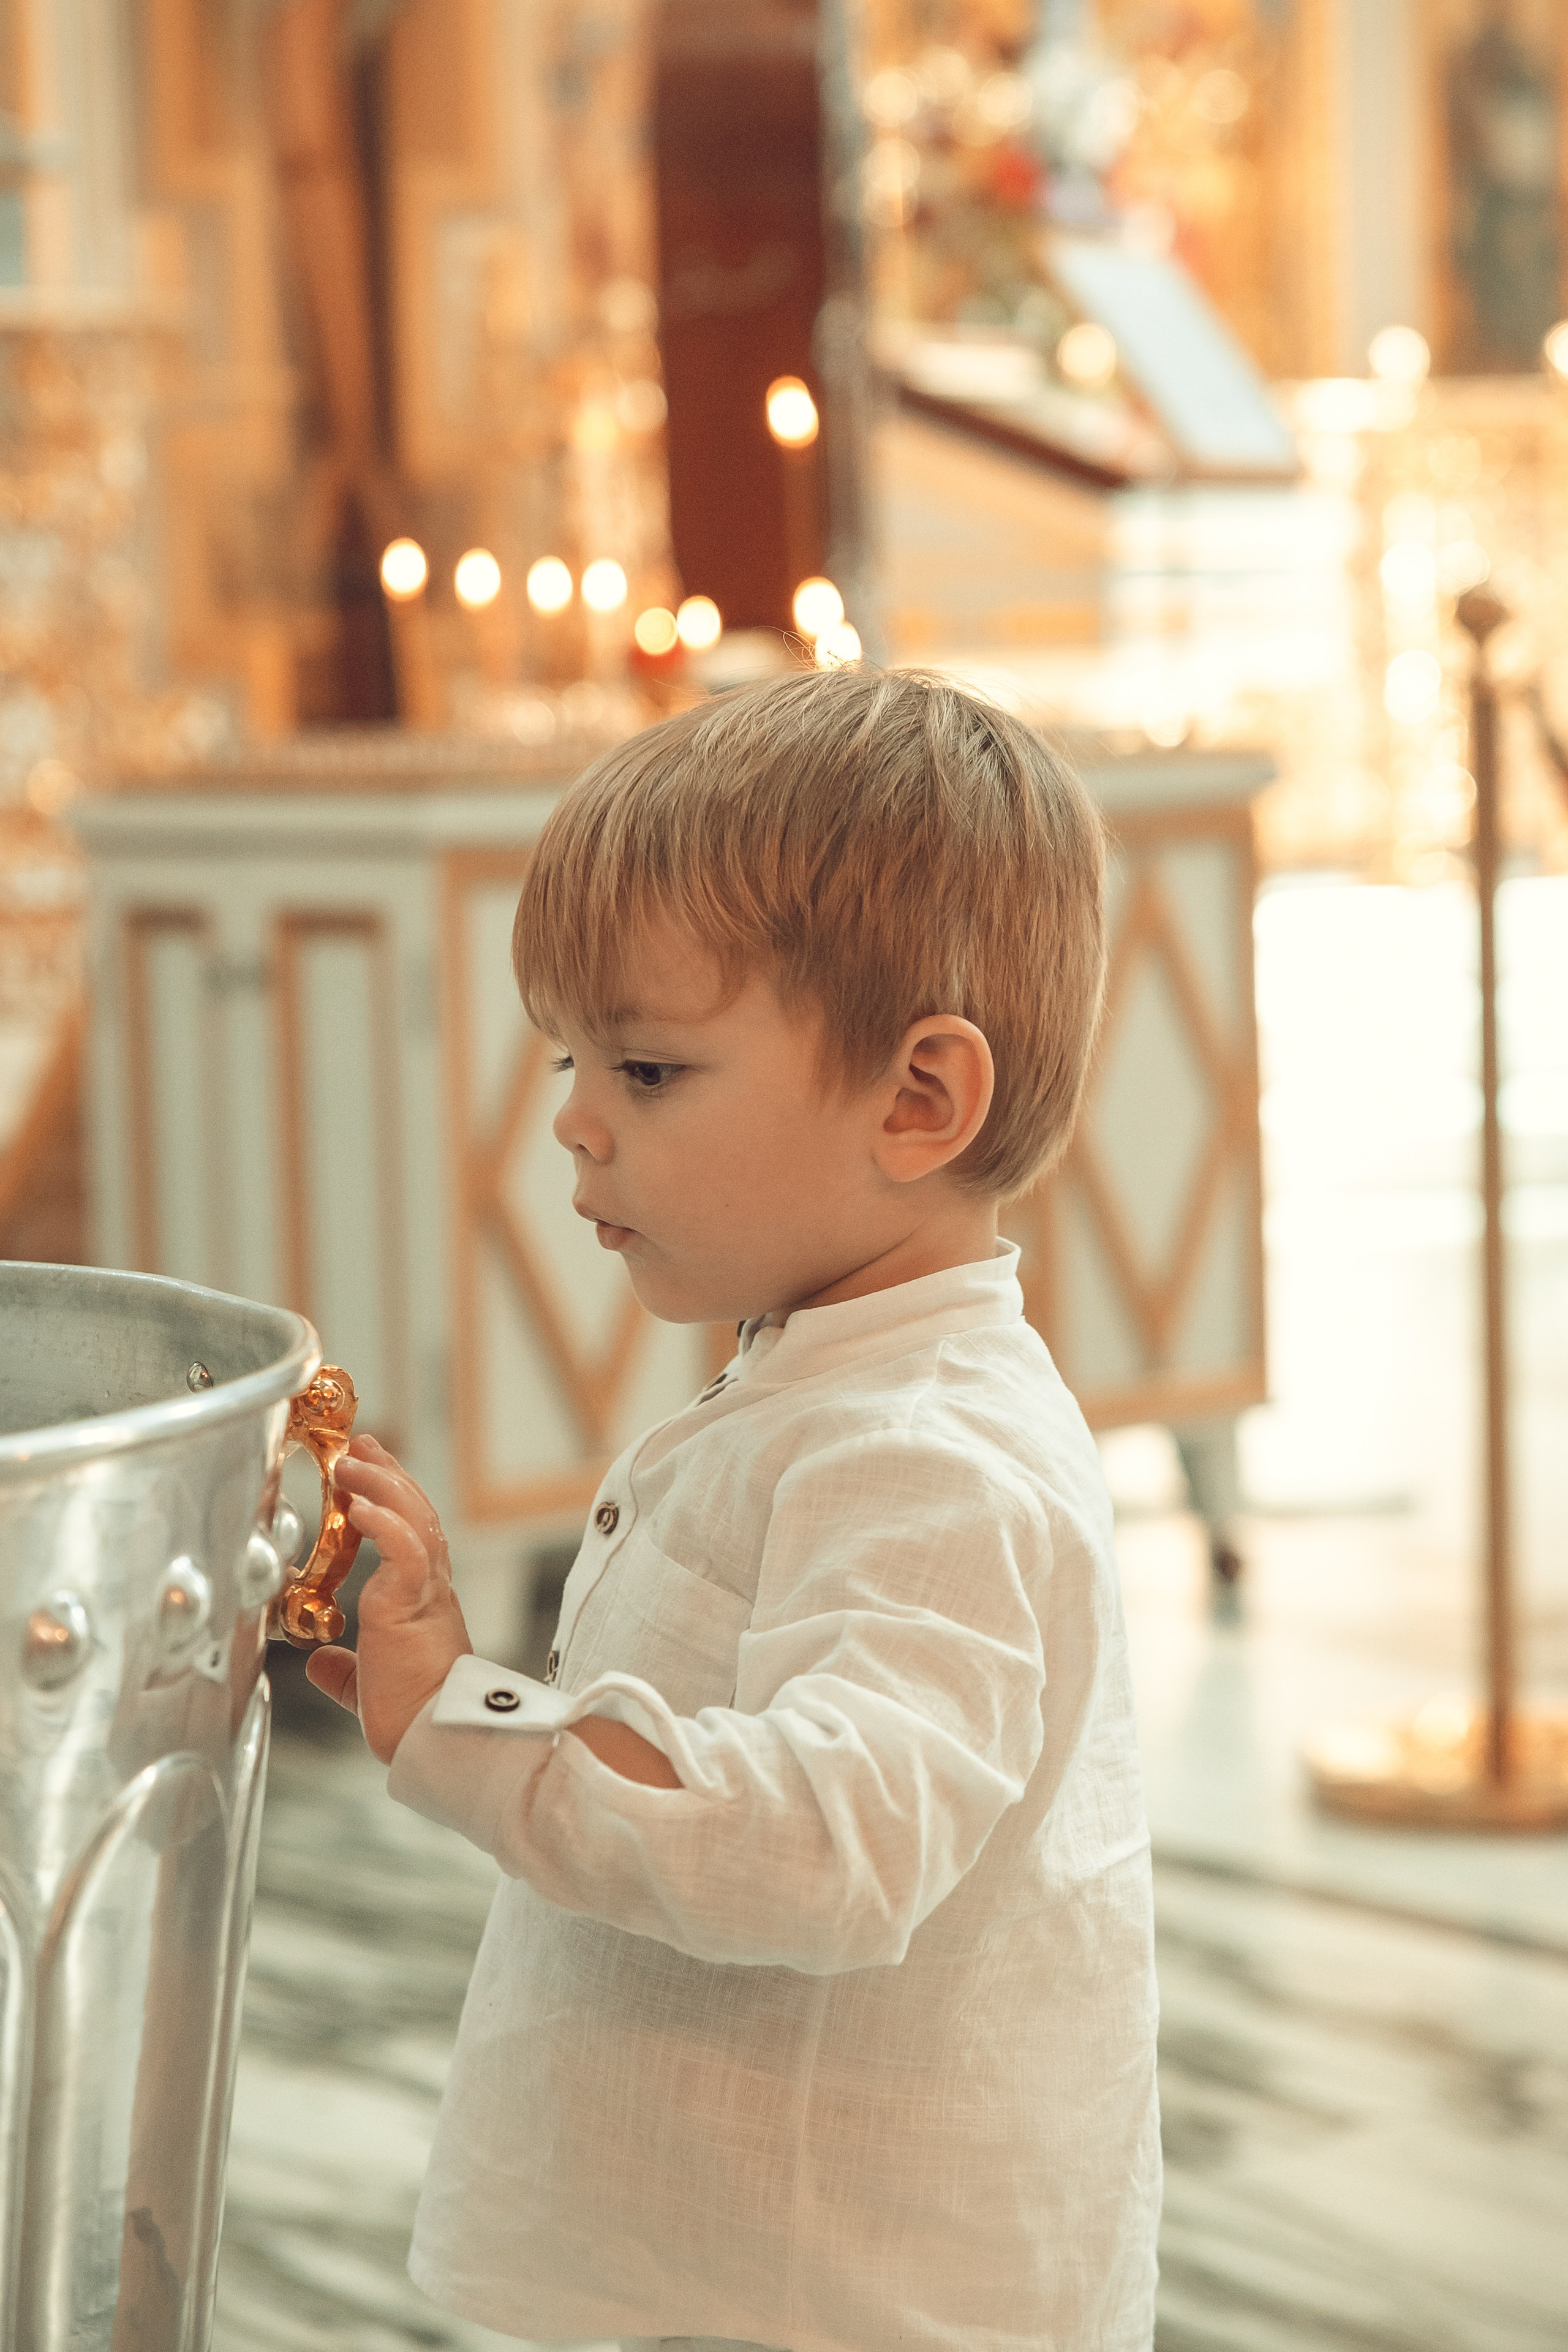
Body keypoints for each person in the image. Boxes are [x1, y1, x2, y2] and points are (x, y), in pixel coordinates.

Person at [307, 666, 1161, 2351]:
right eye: (571, 1058)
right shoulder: (832, 1381)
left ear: (919, 1101)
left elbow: (829, 1844)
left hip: (838, 2303)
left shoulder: (929, 1455)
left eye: (646, 1069)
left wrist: (480, 1728)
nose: (571, 1119)